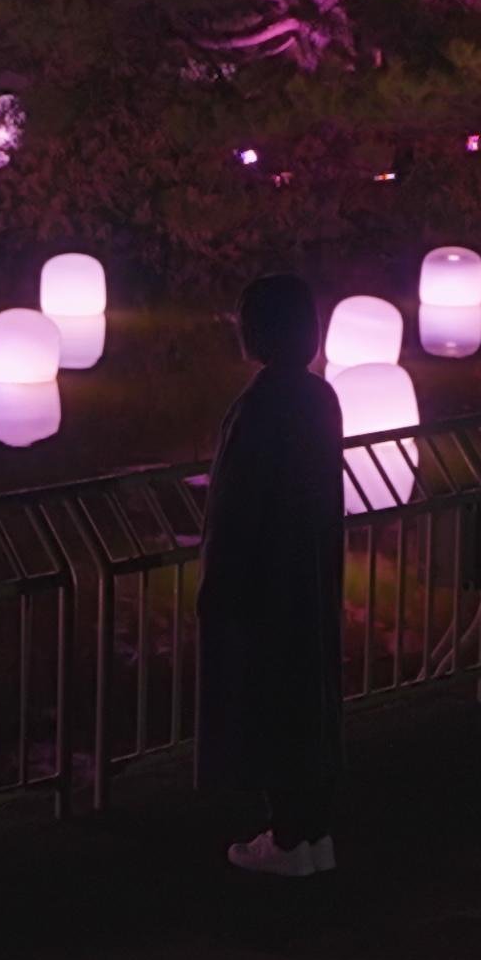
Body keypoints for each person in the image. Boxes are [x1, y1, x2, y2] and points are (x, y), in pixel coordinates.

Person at [197, 274, 344, 876]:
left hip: (263, 580)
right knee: (307, 703)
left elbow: (234, 503)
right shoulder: (318, 397)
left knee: (268, 702)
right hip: (308, 571)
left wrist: (219, 588)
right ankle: (311, 834)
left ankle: (285, 842)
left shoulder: (257, 407)